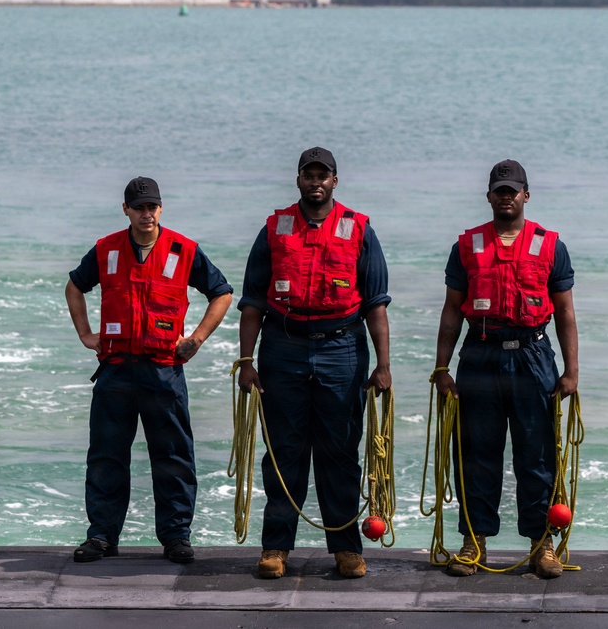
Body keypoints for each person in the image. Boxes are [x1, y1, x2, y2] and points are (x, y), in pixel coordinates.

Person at [236, 147, 392, 580]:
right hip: (282, 348)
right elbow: (252, 301)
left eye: (323, 175)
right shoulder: (274, 228)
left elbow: (376, 305)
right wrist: (246, 361)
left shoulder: (358, 228)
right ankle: (275, 547)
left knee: (340, 450)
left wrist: (383, 366)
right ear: (299, 180)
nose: (316, 182)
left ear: (334, 181)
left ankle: (346, 548)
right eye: (309, 175)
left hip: (342, 349)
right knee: (284, 451)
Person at [65, 176, 233, 564]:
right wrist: (85, 334)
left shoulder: (184, 249)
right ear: (125, 209)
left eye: (152, 207)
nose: (147, 214)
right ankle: (102, 536)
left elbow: (222, 293)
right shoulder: (106, 249)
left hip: (163, 371)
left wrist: (197, 339)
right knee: (106, 456)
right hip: (116, 370)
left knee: (173, 456)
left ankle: (176, 538)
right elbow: (74, 287)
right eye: (139, 207)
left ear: (161, 208)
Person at [432, 159, 578, 579]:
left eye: (512, 190)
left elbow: (565, 313)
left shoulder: (550, 245)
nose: (506, 197)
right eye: (499, 191)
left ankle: (541, 544)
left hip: (533, 356)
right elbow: (451, 310)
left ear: (526, 195)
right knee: (476, 454)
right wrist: (442, 367)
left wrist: (571, 371)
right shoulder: (466, 246)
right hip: (480, 355)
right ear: (489, 196)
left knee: (538, 456)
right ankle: (473, 542)